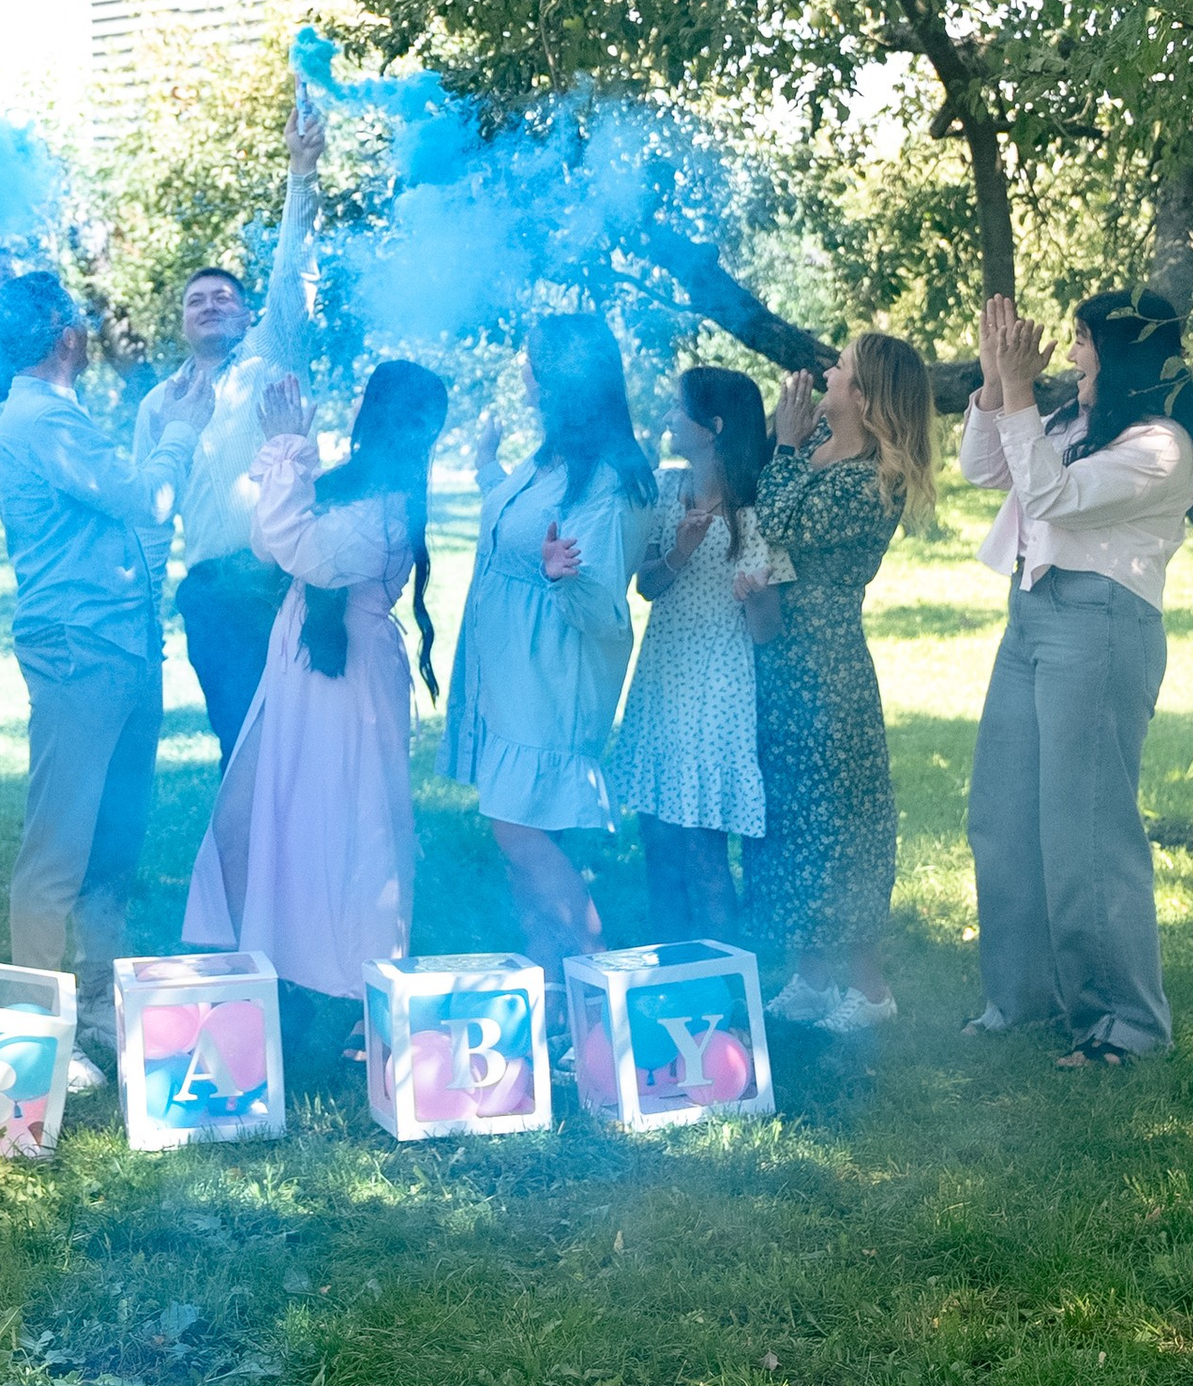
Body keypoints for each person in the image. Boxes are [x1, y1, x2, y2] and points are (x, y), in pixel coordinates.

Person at [959, 287, 1193, 1067]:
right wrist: (1000, 386)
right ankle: (1024, 996)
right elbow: (983, 467)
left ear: (1122, 352)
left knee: (1086, 830)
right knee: (1002, 813)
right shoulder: (1072, 424)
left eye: (1083, 341)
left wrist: (1023, 395)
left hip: (1098, 629)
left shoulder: (1161, 446)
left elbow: (1051, 496)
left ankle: (1124, 1026)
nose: (1069, 355)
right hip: (1031, 618)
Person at [183, 357, 449, 1007]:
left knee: (356, 835)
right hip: (299, 667)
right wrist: (291, 457)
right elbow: (268, 541)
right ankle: (261, 977)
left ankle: (365, 997)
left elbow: (300, 549)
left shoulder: (389, 509)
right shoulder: (352, 486)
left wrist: (287, 447)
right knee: (241, 820)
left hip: (348, 680)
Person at [0, 271, 205, 1075]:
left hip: (116, 649)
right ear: (63, 335)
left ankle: (91, 1007)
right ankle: (35, 1037)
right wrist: (182, 428)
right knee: (58, 848)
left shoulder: (59, 416)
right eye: (77, 319)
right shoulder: (42, 418)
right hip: (81, 652)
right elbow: (147, 500)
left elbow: (124, 514)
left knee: (110, 841)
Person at [444, 313, 662, 985]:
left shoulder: (609, 481)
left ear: (558, 377)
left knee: (520, 831)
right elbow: (514, 521)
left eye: (531, 358)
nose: (522, 368)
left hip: (551, 681)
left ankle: (606, 984)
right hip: (510, 676)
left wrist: (562, 579)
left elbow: (605, 611)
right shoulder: (551, 460)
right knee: (517, 838)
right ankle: (553, 985)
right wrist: (486, 464)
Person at [748, 333, 936, 1033]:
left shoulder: (871, 479)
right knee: (792, 816)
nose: (826, 372)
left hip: (827, 668)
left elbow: (775, 519)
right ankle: (811, 978)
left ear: (864, 396)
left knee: (841, 823)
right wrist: (791, 445)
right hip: (780, 656)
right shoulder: (819, 450)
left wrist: (789, 448)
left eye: (842, 368)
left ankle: (871, 990)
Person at [137, 86, 326, 758]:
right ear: (182, 322)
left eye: (224, 297)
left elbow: (290, 272)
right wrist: (145, 614)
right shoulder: (156, 405)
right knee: (239, 743)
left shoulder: (268, 360)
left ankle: (303, 863)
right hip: (212, 594)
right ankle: (247, 864)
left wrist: (300, 174)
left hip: (282, 577)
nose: (210, 304)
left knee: (299, 742)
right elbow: (148, 511)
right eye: (196, 300)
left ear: (248, 317)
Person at [612, 366, 786, 944]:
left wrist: (758, 595)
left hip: (718, 685)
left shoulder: (756, 508)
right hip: (663, 676)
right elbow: (648, 587)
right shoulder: (667, 489)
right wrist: (678, 553)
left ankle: (726, 996)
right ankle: (669, 980)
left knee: (701, 845)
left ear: (711, 427)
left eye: (676, 409)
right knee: (657, 837)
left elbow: (767, 631)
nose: (666, 418)